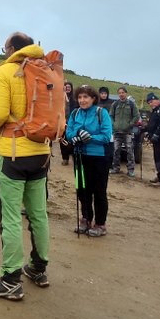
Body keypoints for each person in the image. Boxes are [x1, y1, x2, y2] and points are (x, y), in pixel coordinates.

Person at [0, 32, 52, 300]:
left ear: (12, 49)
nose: (3, 52)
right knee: (38, 214)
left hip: (13, 153)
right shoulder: (46, 69)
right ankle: (38, 268)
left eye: (4, 48)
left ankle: (10, 279)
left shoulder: (6, 72)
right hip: (41, 151)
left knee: (9, 217)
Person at [65, 85, 113, 236]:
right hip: (80, 156)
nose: (82, 100)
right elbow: (68, 132)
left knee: (99, 192)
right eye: (79, 97)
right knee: (82, 190)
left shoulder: (101, 113)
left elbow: (106, 136)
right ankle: (86, 218)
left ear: (93, 98)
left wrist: (90, 138)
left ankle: (100, 224)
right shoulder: (75, 113)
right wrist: (78, 134)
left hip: (99, 158)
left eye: (85, 97)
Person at [109, 87, 140, 177]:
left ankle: (131, 170)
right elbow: (110, 115)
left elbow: (136, 116)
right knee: (115, 150)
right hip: (117, 132)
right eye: (119, 93)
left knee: (130, 151)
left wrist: (130, 124)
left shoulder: (131, 104)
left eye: (122, 92)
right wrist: (113, 124)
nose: (121, 94)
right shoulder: (115, 104)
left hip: (127, 132)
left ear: (126, 93)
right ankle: (115, 168)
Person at [59, 81, 77, 166]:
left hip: (73, 123)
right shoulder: (60, 98)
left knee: (73, 140)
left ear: (71, 88)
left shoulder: (75, 99)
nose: (67, 88)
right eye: (66, 87)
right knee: (63, 141)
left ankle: (74, 158)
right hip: (62, 122)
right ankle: (65, 158)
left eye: (69, 87)